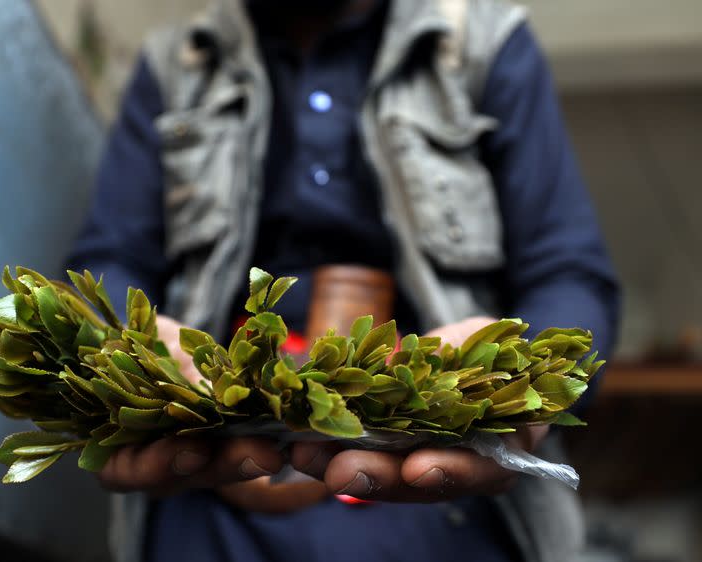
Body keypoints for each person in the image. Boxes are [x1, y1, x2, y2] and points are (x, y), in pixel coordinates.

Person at [66, 1, 620, 561]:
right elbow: (112, 256)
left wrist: (513, 388)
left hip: (433, 492)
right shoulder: (176, 65)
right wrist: (136, 349)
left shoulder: (481, 47)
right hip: (213, 482)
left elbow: (567, 273)